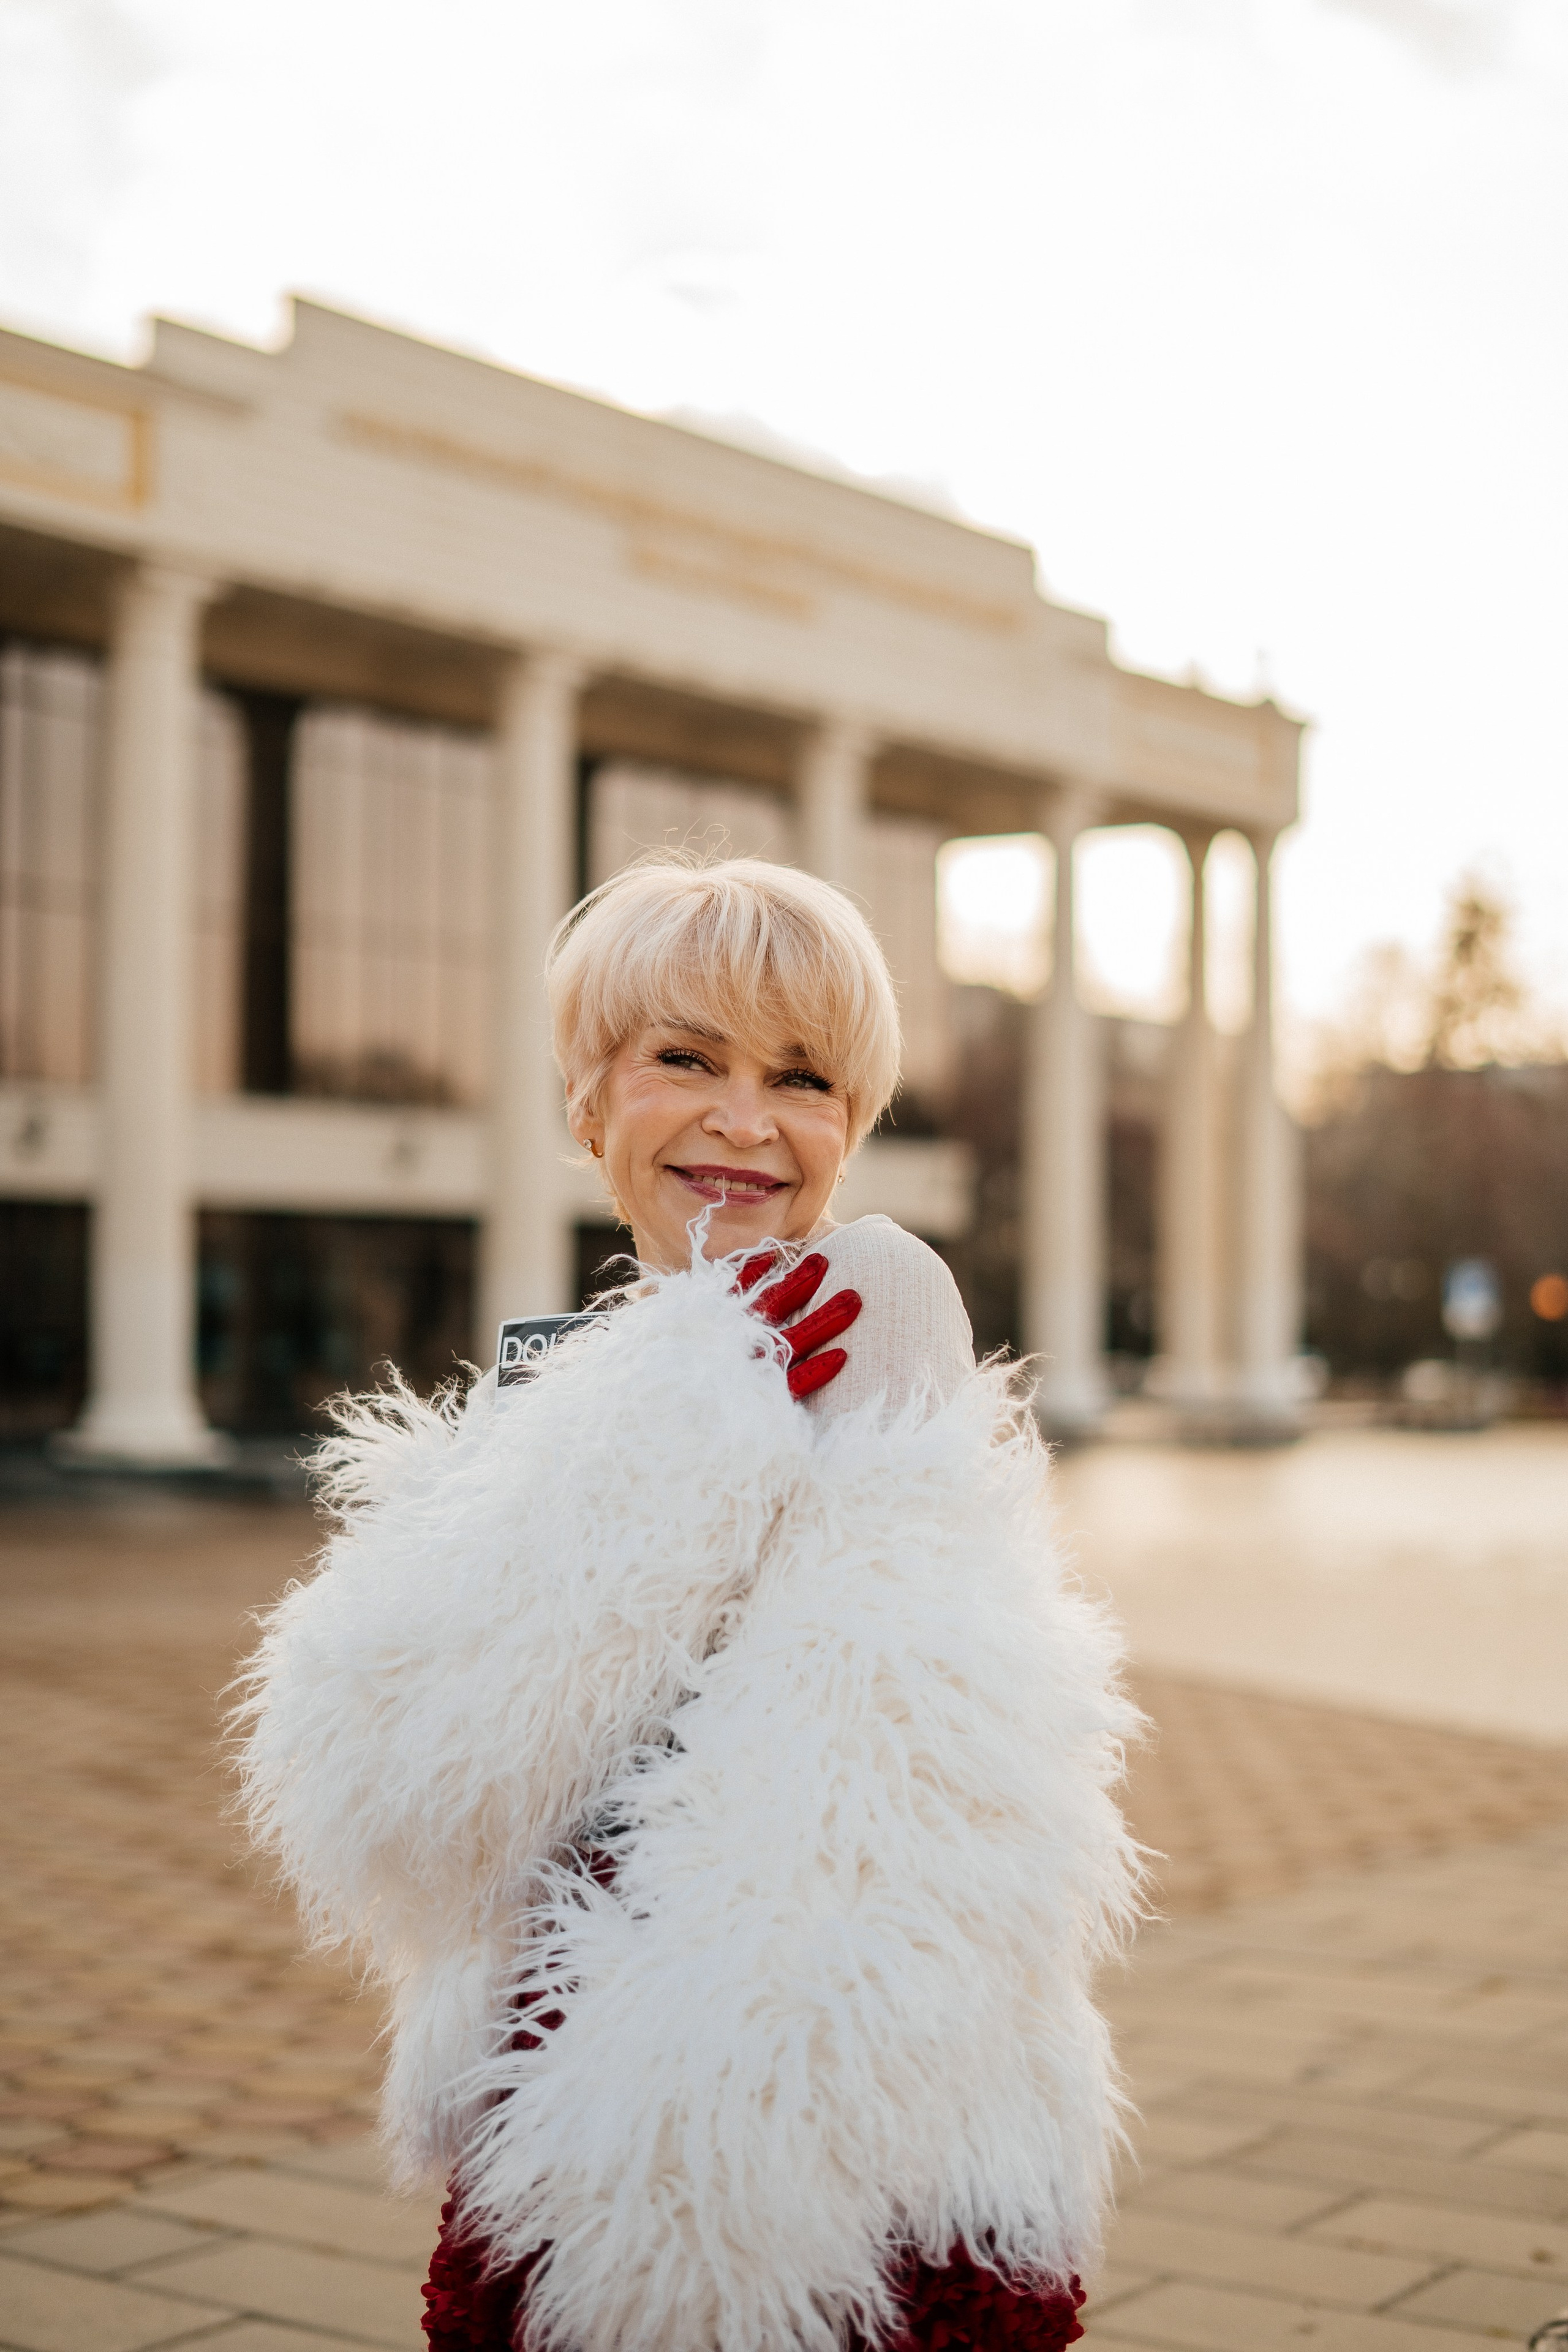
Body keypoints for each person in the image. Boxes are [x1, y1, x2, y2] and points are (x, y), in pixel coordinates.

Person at [235, 856, 1141, 2352]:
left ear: (850, 1123)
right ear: (588, 1104)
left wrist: (670, 1423)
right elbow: (407, 1800)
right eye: (686, 1058)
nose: (743, 1118)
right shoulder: (566, 1380)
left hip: (810, 2131)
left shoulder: (870, 1295)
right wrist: (646, 1416)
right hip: (552, 2075)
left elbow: (896, 1789)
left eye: (802, 1077)